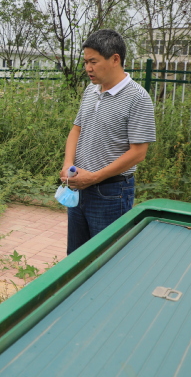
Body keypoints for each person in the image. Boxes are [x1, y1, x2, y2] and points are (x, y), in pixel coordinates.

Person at [61, 29, 156, 255]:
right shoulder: (90, 91)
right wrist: (68, 164)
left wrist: (94, 177)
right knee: (75, 257)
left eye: (93, 62)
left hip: (111, 193)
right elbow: (76, 130)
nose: (88, 68)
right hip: (78, 187)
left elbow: (138, 153)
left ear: (115, 59)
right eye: (86, 62)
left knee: (106, 258)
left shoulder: (138, 98)